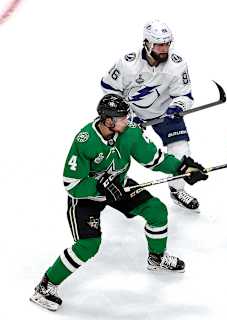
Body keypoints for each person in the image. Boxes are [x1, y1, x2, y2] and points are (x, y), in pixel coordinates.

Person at [29, 94, 208, 312]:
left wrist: (182, 169)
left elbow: (155, 160)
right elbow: (71, 184)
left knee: (157, 211)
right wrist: (99, 187)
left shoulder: (130, 132)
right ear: (108, 121)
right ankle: (46, 286)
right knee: (89, 245)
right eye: (123, 117)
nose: (128, 120)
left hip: (120, 187)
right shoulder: (85, 140)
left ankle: (156, 258)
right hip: (87, 198)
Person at [100, 20, 200, 210]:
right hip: (129, 115)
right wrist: (126, 116)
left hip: (164, 113)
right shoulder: (127, 63)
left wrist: (177, 107)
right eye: (159, 44)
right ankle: (109, 185)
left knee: (181, 150)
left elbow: (184, 95)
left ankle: (177, 191)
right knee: (114, 149)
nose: (164, 49)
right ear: (146, 43)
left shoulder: (177, 65)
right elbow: (109, 89)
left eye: (167, 44)